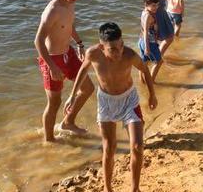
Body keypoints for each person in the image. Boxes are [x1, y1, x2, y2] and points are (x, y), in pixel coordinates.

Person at [65, 22, 156, 192]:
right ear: (102, 47)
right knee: (109, 147)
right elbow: (82, 72)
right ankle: (108, 188)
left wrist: (152, 94)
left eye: (120, 46)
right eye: (113, 49)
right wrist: (72, 96)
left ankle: (135, 189)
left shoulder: (129, 55)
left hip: (129, 100)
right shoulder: (93, 54)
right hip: (106, 102)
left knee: (137, 146)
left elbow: (145, 70)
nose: (118, 51)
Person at [34, 0, 94, 141]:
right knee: (54, 103)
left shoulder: (69, 3)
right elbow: (38, 41)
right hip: (53, 60)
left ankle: (68, 122)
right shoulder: (52, 10)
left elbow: (68, 25)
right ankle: (49, 140)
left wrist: (80, 44)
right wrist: (52, 66)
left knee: (88, 88)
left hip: (69, 54)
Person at [144, 0, 175, 79]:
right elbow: (146, 7)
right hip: (156, 17)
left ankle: (157, 57)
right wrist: (150, 22)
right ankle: (157, 58)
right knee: (167, 38)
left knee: (169, 38)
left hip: (162, 14)